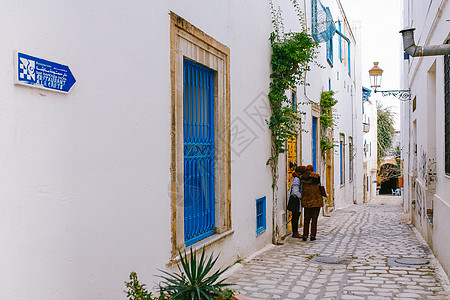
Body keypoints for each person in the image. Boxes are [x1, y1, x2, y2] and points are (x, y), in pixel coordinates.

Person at [300, 165, 323, 241]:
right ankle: (313, 235)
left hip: (306, 201)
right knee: (314, 220)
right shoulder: (316, 177)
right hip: (316, 201)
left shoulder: (302, 177)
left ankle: (305, 235)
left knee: (306, 219)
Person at [287, 165, 307, 238]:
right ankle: (295, 232)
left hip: (297, 200)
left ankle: (295, 232)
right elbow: (295, 191)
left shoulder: (297, 178)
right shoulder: (297, 179)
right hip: (296, 200)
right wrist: (301, 196)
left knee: (296, 216)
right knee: (295, 217)